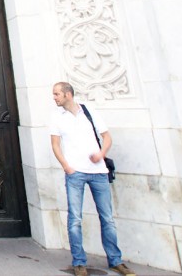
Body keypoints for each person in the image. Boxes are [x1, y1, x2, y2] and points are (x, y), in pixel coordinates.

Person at [50, 82, 135, 276]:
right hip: (75, 173)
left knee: (107, 218)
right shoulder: (56, 116)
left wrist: (101, 154)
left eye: (57, 94)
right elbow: (55, 144)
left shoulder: (89, 111)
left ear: (68, 94)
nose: (54, 97)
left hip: (99, 172)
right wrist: (66, 166)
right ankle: (79, 262)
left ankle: (115, 260)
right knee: (75, 219)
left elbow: (106, 137)